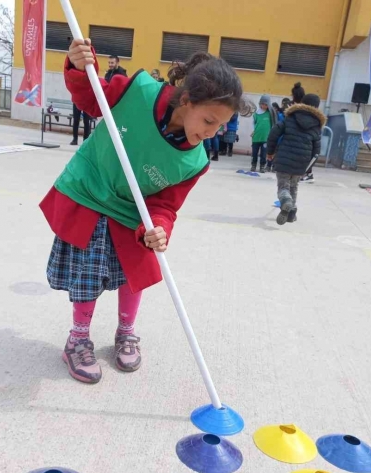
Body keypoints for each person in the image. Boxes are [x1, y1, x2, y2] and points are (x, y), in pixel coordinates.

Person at [40, 39, 247, 384]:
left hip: (133, 210)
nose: (212, 133)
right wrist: (77, 67)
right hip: (92, 189)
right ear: (186, 100)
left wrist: (160, 227)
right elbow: (92, 98)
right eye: (208, 120)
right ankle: (77, 339)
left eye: (220, 126)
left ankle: (126, 332)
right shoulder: (137, 91)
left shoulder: (194, 161)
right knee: (88, 273)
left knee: (135, 268)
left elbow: (166, 204)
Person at [266, 93, 324, 225]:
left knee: (283, 187)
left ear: (301, 103)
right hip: (302, 162)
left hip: (284, 158)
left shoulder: (290, 118)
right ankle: (291, 214)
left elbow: (274, 134)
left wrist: (270, 152)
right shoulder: (316, 126)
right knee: (294, 186)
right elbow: (316, 152)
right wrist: (308, 169)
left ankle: (286, 201)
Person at [251, 94, 274, 173]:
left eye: (266, 104)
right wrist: (253, 131)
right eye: (262, 104)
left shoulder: (270, 114)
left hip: (265, 138)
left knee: (264, 154)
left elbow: (273, 125)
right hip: (256, 137)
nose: (264, 106)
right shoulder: (256, 113)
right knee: (254, 153)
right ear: (260, 103)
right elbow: (253, 123)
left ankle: (262, 166)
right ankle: (253, 165)